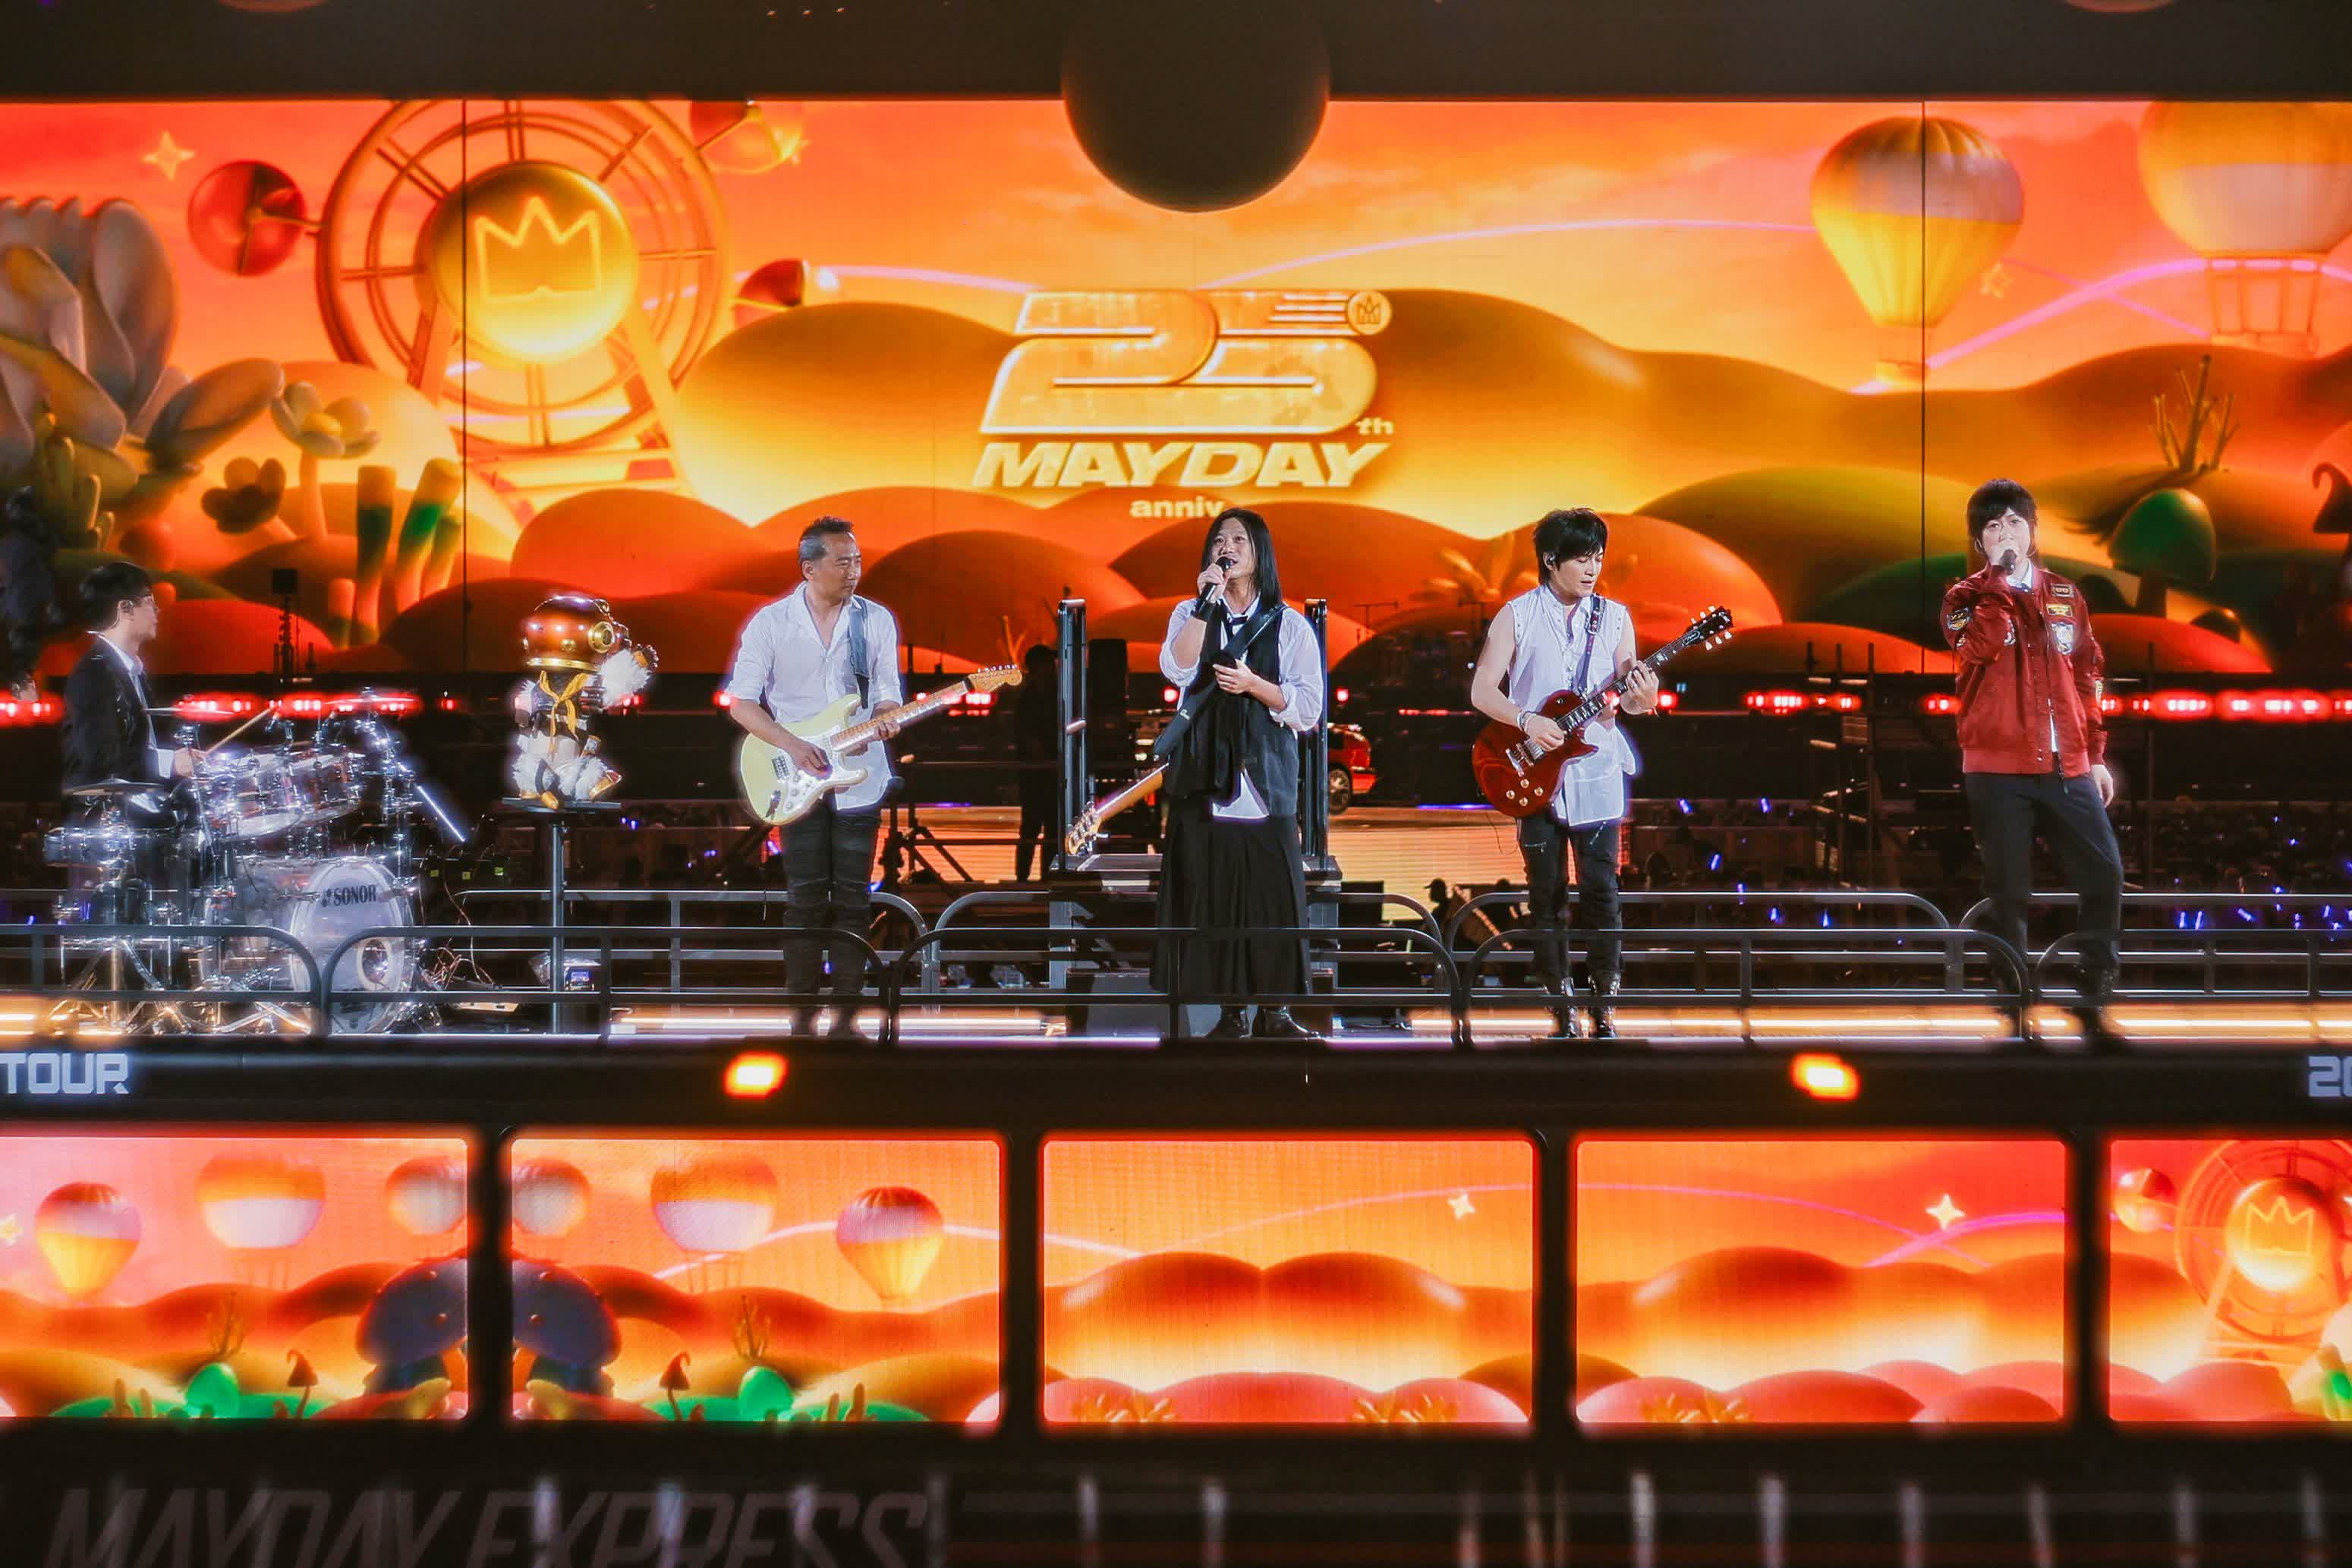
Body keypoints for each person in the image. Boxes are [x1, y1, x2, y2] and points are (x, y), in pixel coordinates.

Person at [1942, 479, 2124, 1048]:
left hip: (2067, 763)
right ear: (1979, 540)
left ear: (2033, 531)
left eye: (2015, 523)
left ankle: (2092, 992)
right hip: (1996, 767)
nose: (2006, 533)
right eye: (1993, 526)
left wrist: (2095, 755)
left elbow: (2087, 673)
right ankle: (2014, 1001)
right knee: (2010, 891)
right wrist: (1999, 581)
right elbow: (1980, 647)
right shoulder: (1963, 599)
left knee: (2105, 874)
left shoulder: (2066, 594)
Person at [1469, 508, 1658, 1040]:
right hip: (1533, 770)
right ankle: (1559, 1003)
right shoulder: (1516, 615)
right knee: (1545, 894)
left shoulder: (1615, 617)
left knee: (1602, 890)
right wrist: (1526, 720)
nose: (1592, 568)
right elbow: (1482, 689)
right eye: (1581, 558)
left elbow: (1630, 696)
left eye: (1598, 557)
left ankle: (1605, 1001)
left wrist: (1643, 697)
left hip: (1596, 770)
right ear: (1551, 560)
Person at [723, 517, 904, 1038]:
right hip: (793, 777)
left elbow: (887, 691)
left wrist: (884, 718)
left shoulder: (875, 620)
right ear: (809, 568)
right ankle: (802, 1014)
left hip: (859, 776)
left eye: (858, 561)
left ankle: (847, 1015)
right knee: (804, 897)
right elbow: (742, 703)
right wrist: (792, 746)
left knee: (853, 899)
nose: (854, 571)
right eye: (843, 562)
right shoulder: (771, 623)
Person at [1154, 506, 1327, 1042]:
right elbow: (1176, 669)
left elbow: (1308, 708)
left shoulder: (1288, 623)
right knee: (1214, 898)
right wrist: (1204, 604)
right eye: (1218, 541)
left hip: (1264, 781)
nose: (1226, 548)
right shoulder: (1190, 611)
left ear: (1260, 553)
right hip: (1204, 778)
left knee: (1271, 899)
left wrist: (1255, 685)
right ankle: (1229, 1014)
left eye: (1239, 540)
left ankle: (1275, 1013)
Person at [61, 561, 194, 794]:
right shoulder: (93, 674)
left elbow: (143, 745)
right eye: (150, 601)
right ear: (126, 609)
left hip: (146, 800)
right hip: (110, 810)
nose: (157, 610)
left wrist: (182, 758)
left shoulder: (132, 670)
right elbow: (98, 755)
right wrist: (170, 762)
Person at [1012, 642, 1059, 882]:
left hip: (1043, 772)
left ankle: (1043, 877)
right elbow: (1027, 737)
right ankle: (1027, 877)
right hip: (1038, 773)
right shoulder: (1033, 699)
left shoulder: (1041, 697)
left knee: (1047, 828)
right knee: (1034, 827)